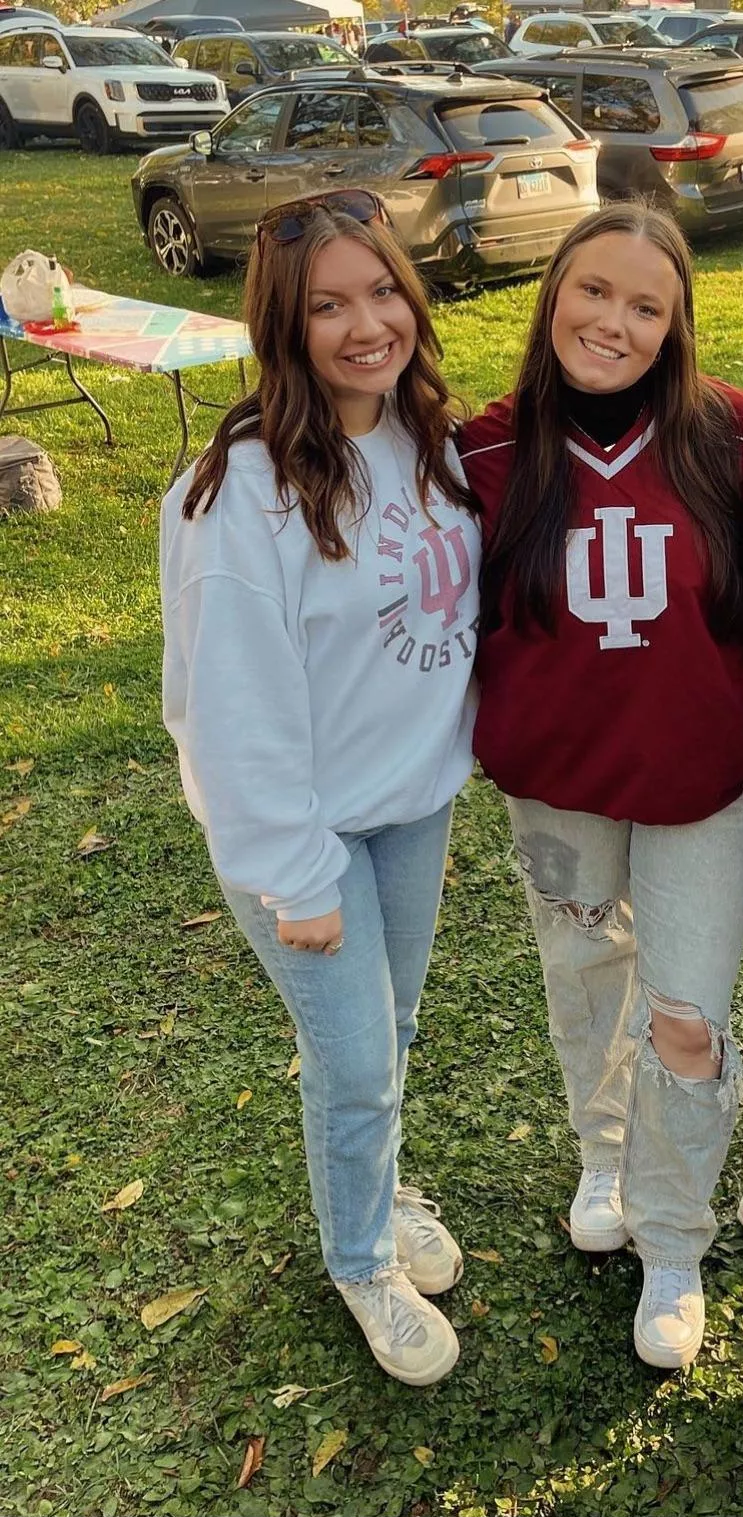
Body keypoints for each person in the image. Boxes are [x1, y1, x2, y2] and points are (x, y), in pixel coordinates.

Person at [159, 190, 480, 1388]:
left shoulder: (418, 435)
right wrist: (294, 874)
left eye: (381, 289)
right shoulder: (240, 492)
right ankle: (359, 1258)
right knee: (353, 1057)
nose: (365, 325)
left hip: (413, 803)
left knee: (385, 1037)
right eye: (326, 306)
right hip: (306, 832)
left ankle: (380, 1194)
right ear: (281, 328)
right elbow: (227, 707)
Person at [458, 203, 743, 1370]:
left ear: (677, 320)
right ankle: (605, 1153)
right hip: (556, 789)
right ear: (553, 293)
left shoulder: (731, 438)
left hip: (703, 785)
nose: (615, 321)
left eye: (648, 304)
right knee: (587, 974)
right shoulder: (486, 453)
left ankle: (674, 1236)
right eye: (594, 290)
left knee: (685, 1016)